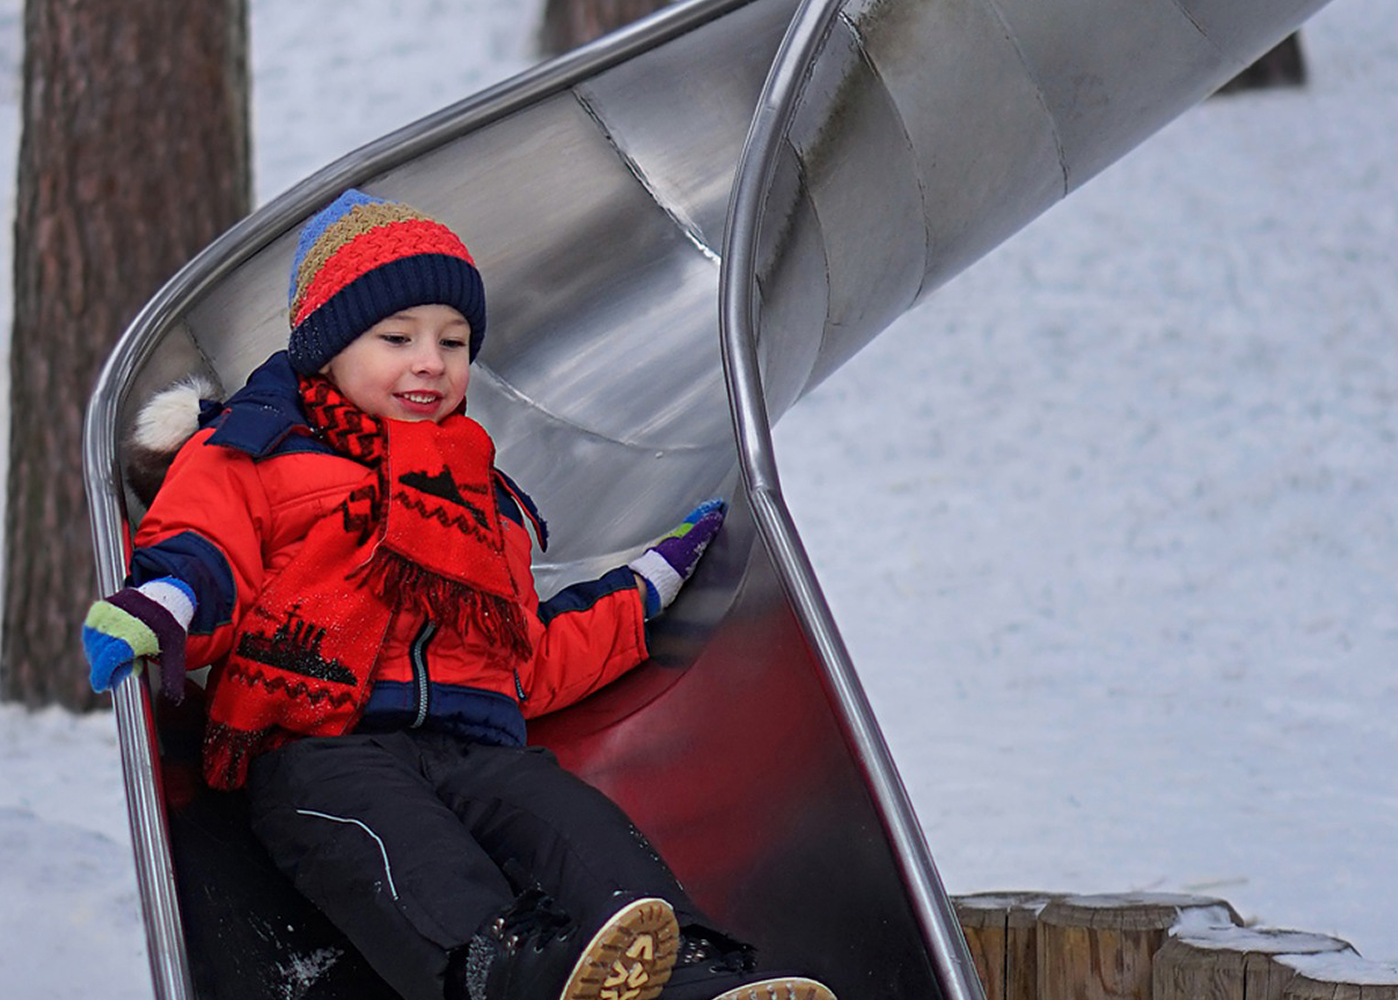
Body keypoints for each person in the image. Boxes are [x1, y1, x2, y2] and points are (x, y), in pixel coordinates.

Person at [82, 189, 838, 1000]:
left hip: (477, 751)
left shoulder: (482, 500)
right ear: (326, 351)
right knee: (405, 849)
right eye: (396, 338)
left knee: (570, 820)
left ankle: (683, 971)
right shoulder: (258, 453)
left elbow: (529, 658)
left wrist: (642, 589)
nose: (429, 362)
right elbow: (205, 548)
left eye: (453, 341)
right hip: (322, 753)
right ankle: (506, 971)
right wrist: (164, 602)